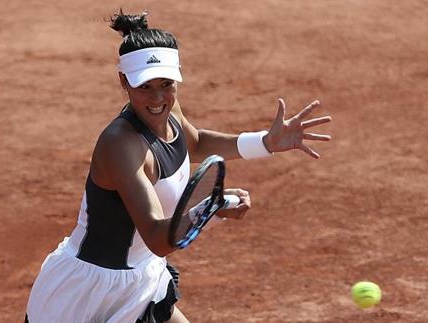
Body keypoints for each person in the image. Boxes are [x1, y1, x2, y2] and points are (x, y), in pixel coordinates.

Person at [25, 9, 332, 323]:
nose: (157, 97)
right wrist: (213, 207)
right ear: (124, 81)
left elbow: (194, 142)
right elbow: (158, 238)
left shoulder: (165, 111)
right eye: (145, 86)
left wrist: (265, 142)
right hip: (87, 294)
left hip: (142, 279)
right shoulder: (120, 145)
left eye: (166, 84)